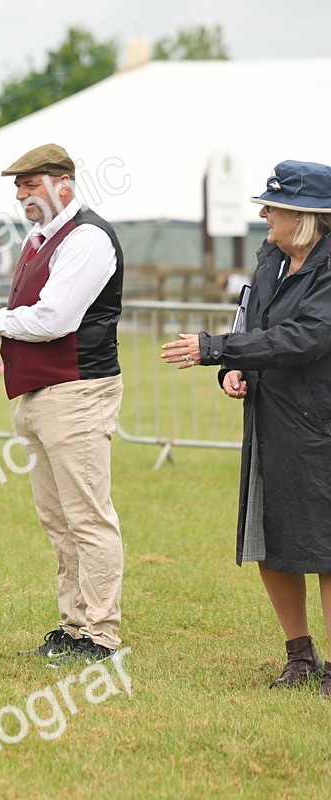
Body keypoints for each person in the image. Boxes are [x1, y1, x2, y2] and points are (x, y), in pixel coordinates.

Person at [0, 143, 125, 665]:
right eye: (18, 187)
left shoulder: (86, 238)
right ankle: (74, 625)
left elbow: (53, 318)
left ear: (64, 182)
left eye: (31, 184)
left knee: (87, 518)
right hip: (40, 394)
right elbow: (19, 316)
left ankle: (101, 636)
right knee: (58, 521)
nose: (22, 196)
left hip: (77, 391)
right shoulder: (41, 240)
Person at [161, 160, 331, 695]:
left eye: (273, 207)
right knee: (271, 539)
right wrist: (234, 369)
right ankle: (300, 658)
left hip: (319, 427)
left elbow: (304, 339)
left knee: (325, 550)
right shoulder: (269, 261)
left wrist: (216, 350)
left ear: (304, 217)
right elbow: (250, 327)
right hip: (269, 422)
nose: (262, 213)